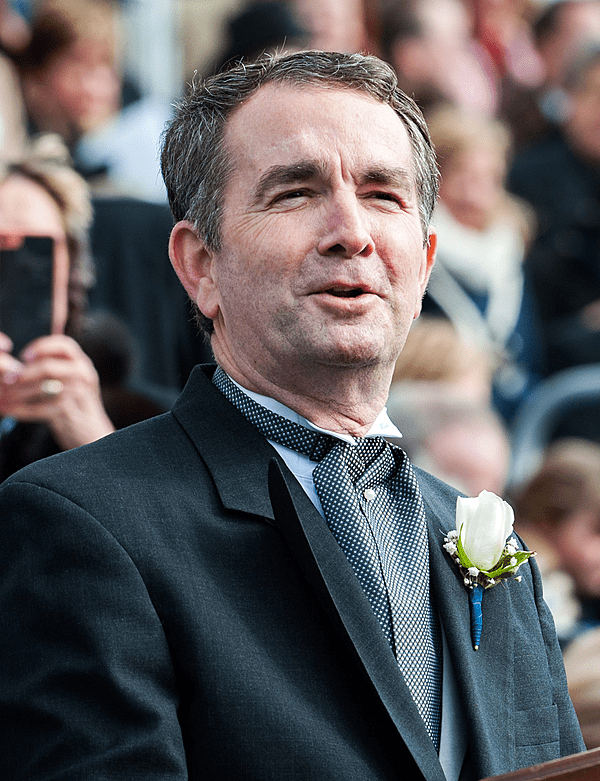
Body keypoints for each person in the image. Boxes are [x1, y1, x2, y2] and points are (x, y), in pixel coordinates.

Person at [0, 50, 584, 781]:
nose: (352, 232)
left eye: (383, 194)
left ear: (425, 261)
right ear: (200, 265)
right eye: (297, 193)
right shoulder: (82, 523)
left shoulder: (496, 552)